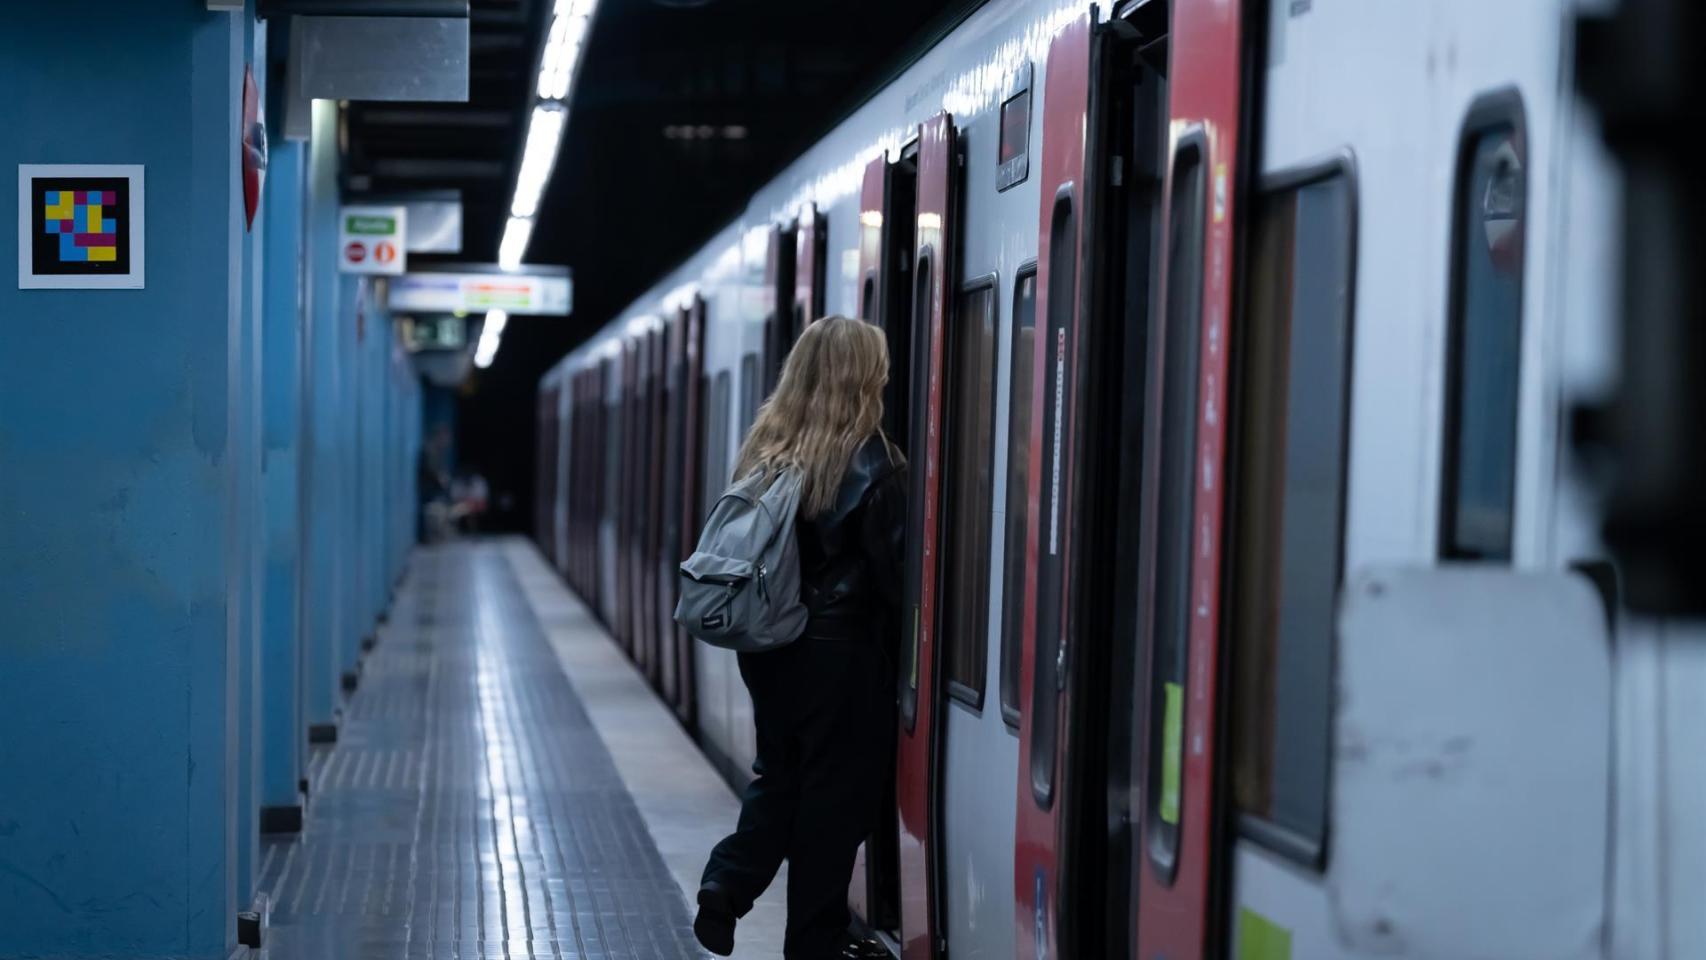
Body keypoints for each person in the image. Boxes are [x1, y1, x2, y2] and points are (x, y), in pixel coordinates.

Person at [695, 316, 906, 959]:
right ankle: (814, 942)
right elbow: (895, 579)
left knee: (780, 774)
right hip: (840, 659)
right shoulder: (875, 463)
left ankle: (726, 884)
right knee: (833, 802)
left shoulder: (767, 447)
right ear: (864, 376)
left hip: (769, 647)